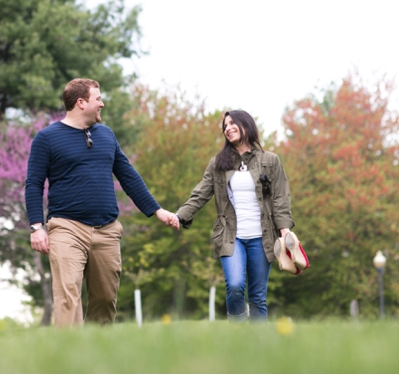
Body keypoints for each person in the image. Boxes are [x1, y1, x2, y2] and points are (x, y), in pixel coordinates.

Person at [25, 78, 179, 327]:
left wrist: (157, 210)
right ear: (81, 102)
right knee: (68, 298)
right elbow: (33, 184)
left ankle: (95, 358)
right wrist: (36, 226)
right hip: (66, 229)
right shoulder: (47, 138)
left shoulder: (106, 135)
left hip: (107, 230)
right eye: (98, 99)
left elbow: (128, 176)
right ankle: (67, 359)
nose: (102, 104)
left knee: (106, 300)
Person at [176, 110, 295, 322]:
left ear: (246, 125)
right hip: (231, 236)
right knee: (234, 286)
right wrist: (180, 216)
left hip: (262, 237)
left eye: (232, 123)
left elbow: (280, 197)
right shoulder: (218, 163)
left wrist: (284, 229)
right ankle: (238, 334)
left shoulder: (270, 160)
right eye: (225, 126)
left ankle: (257, 346)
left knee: (258, 296)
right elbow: (201, 192)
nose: (227, 128)